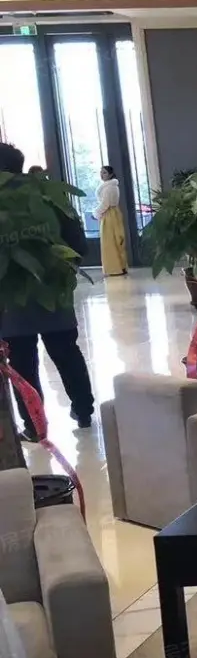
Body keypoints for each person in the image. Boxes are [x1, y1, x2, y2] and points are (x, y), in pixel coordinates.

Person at [0, 142, 96, 439]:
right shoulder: (49, 196)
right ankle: (84, 411)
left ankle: (34, 425)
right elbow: (78, 244)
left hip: (11, 302)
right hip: (53, 293)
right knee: (67, 352)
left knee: (22, 363)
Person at [94, 164, 129, 277]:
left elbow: (105, 204)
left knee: (110, 242)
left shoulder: (109, 188)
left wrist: (96, 213)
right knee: (116, 240)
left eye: (104, 172)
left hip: (109, 214)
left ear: (110, 174)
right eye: (101, 172)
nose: (102, 175)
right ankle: (121, 266)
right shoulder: (112, 186)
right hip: (114, 213)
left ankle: (114, 268)